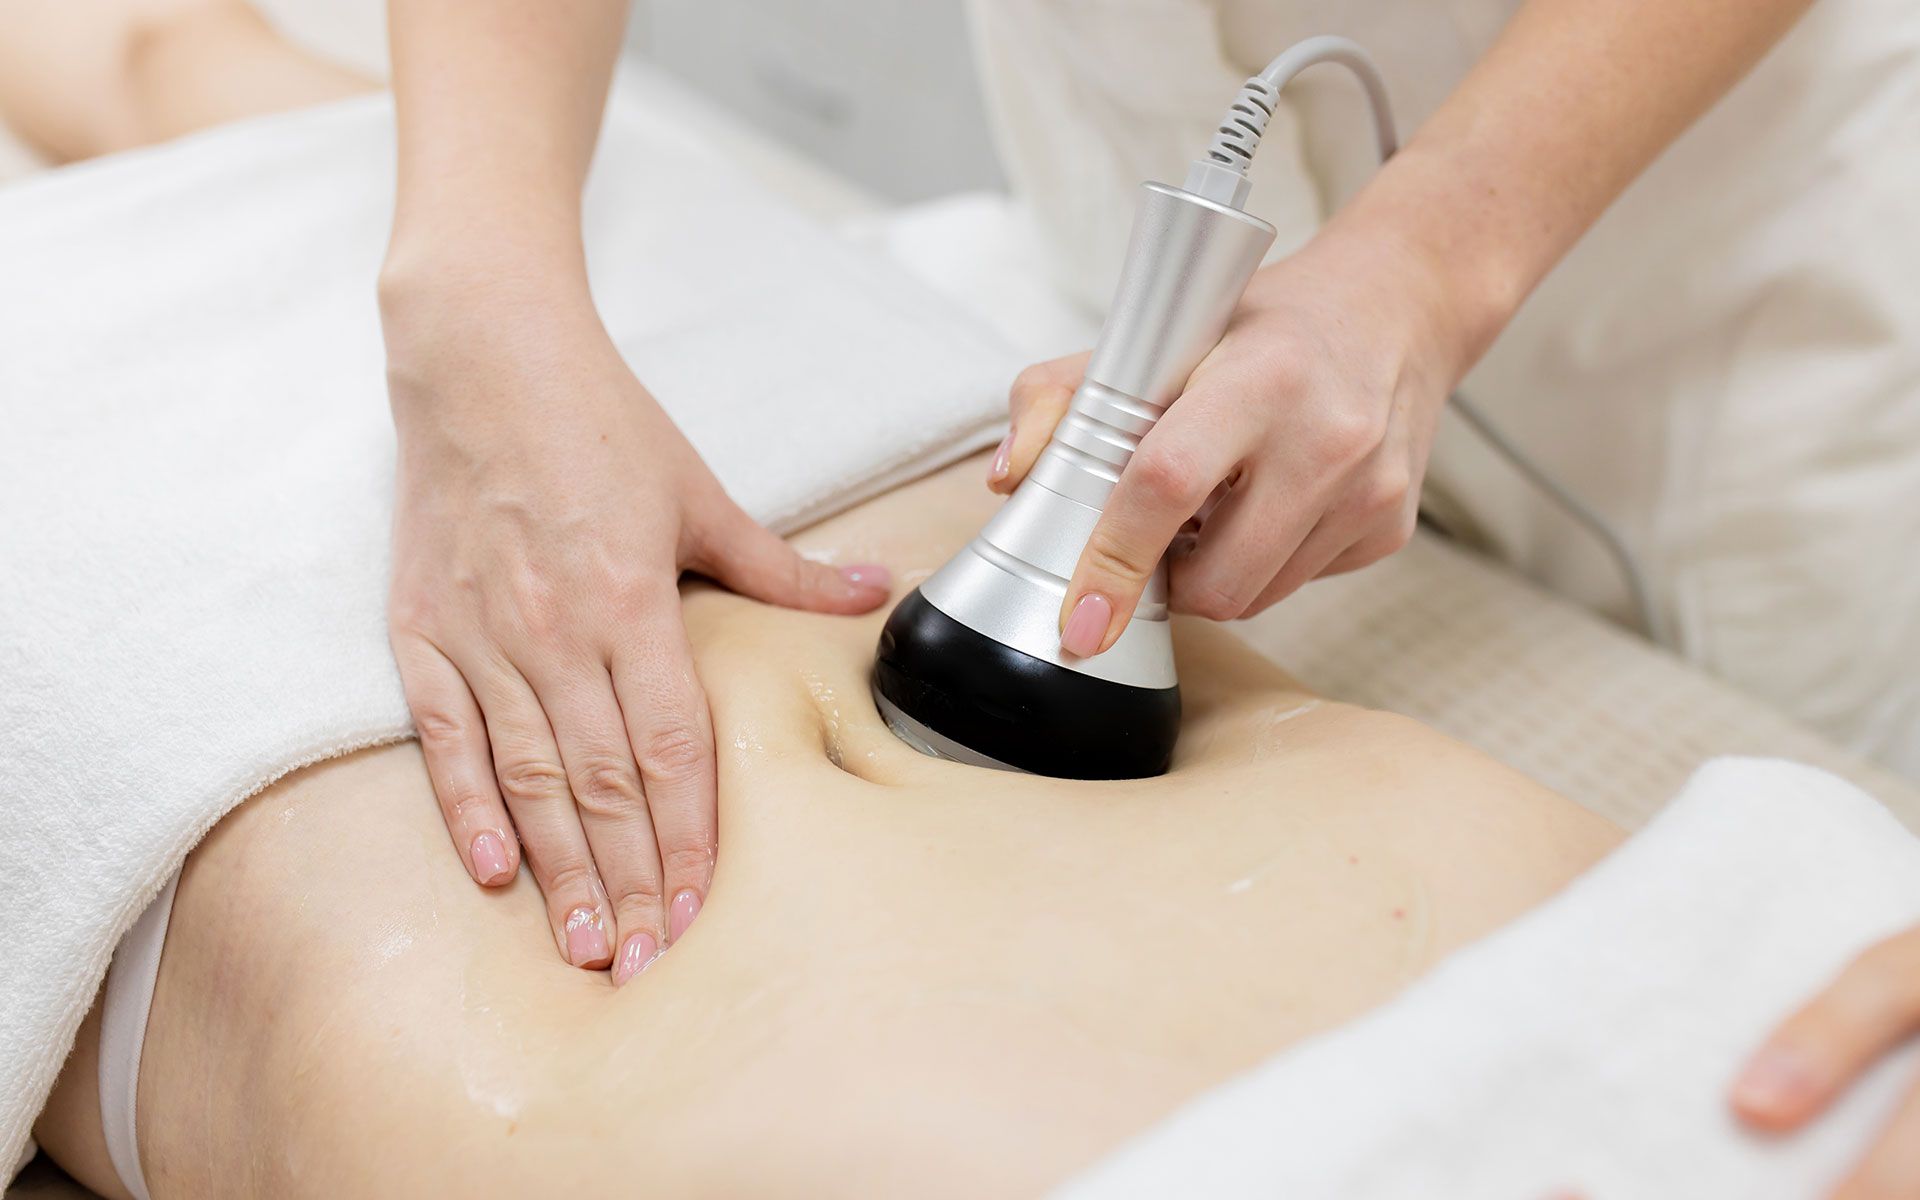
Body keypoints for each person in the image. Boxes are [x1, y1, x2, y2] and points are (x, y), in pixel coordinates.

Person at [5, 1, 1919, 1190]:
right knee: (219, 85)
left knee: (183, 79)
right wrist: (480, 277)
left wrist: (1438, 250)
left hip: (228, 562)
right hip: (743, 368)